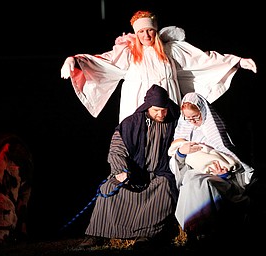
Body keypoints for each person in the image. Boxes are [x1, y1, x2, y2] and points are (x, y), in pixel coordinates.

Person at [60, 10, 257, 123]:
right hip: (138, 102)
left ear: (155, 31)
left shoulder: (171, 50)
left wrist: (236, 61)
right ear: (136, 34)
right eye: (142, 32)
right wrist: (74, 60)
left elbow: (202, 59)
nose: (146, 36)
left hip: (168, 100)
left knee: (167, 139)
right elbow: (104, 60)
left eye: (150, 31)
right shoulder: (129, 52)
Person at [78, 84, 180, 250]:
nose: (161, 114)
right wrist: (121, 171)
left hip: (159, 175)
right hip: (133, 174)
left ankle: (145, 235)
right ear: (148, 107)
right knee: (108, 187)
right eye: (156, 110)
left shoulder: (175, 123)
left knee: (164, 189)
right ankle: (97, 234)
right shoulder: (131, 123)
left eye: (164, 110)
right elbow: (117, 149)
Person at [168, 92, 254, 240]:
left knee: (204, 183)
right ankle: (195, 229)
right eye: (188, 119)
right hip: (192, 173)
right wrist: (181, 153)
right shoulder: (185, 133)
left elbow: (235, 162)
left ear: (203, 112)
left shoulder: (216, 132)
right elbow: (175, 165)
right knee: (192, 181)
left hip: (219, 176)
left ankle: (211, 231)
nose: (193, 122)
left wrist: (224, 174)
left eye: (196, 117)